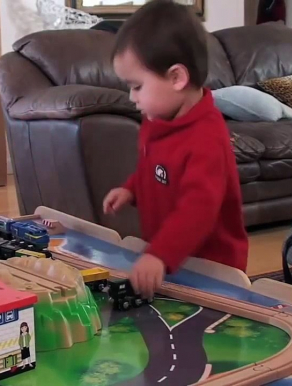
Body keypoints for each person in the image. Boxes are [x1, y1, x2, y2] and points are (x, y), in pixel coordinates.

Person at [102, 0, 248, 297]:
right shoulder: (157, 121)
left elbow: (198, 209)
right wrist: (132, 188)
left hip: (213, 271)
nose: (132, 97)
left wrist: (159, 255)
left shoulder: (207, 138)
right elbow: (153, 168)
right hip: (172, 262)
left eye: (138, 86)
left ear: (177, 77)